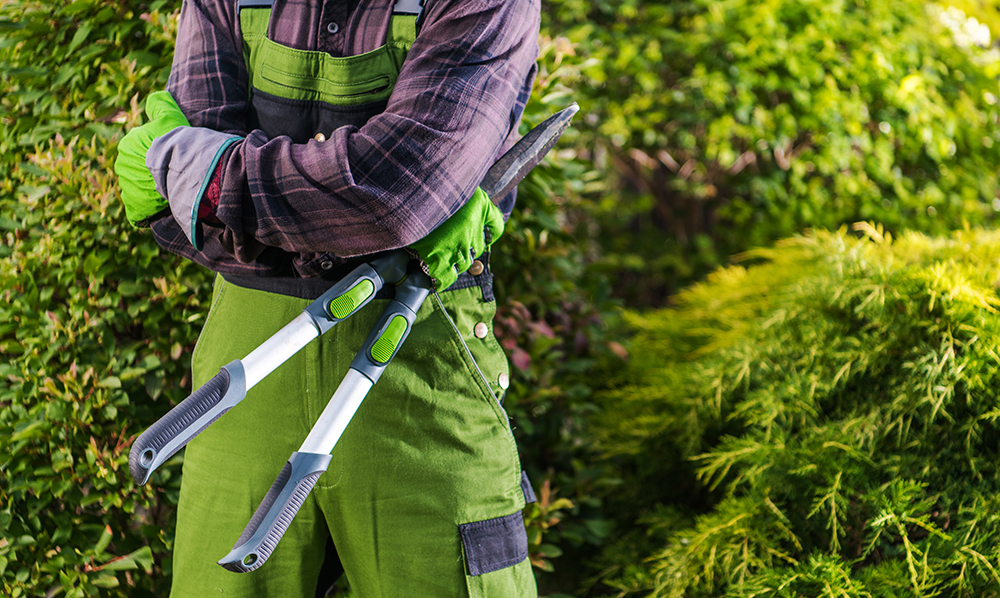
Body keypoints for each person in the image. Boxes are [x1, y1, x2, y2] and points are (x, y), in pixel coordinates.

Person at [113, 0, 542, 596]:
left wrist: (210, 180)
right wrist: (371, 217)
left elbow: (394, 193)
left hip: (424, 374)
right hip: (251, 358)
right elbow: (395, 197)